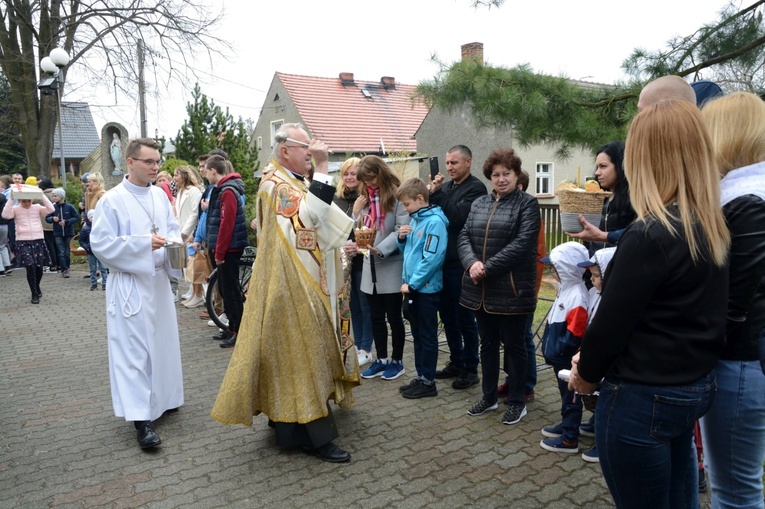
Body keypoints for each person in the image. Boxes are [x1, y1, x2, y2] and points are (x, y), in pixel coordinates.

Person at [570, 100, 730, 509]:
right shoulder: (708, 224)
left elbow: (609, 326)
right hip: (693, 386)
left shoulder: (650, 234)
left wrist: (585, 376)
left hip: (643, 397)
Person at [211, 123, 359, 463]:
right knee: (303, 356)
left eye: (312, 152)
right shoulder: (275, 184)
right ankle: (317, 438)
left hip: (290, 281)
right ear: (284, 151)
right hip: (291, 285)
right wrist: (324, 168)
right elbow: (309, 218)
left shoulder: (285, 180)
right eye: (305, 150)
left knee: (287, 356)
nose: (310, 155)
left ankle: (287, 428)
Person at [91, 138, 184, 450]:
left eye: (157, 161)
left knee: (163, 343)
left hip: (157, 282)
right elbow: (101, 244)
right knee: (134, 352)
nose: (155, 167)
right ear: (129, 162)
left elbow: (171, 229)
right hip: (130, 283)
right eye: (149, 162)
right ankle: (141, 421)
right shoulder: (112, 200)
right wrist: (143, 243)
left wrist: (175, 246)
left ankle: (166, 398)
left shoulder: (159, 194)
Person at [700, 91, 765, 509]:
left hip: (738, 363)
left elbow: (732, 305)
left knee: (735, 491)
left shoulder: (747, 200)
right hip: (745, 359)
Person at [459, 148, 540, 425]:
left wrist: (487, 267)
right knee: (488, 344)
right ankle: (489, 397)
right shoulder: (479, 203)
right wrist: (471, 263)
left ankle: (517, 400)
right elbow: (464, 235)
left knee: (516, 347)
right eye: (496, 174)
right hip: (480, 290)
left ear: (516, 175)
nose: (501, 179)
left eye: (507, 173)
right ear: (489, 177)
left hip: (512, 290)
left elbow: (522, 245)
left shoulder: (527, 204)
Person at [428, 145, 486, 389]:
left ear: (468, 162)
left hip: (462, 264)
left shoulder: (476, 188)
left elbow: (456, 218)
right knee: (448, 318)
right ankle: (456, 361)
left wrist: (438, 194)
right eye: (448, 163)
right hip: (443, 263)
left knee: (464, 318)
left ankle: (471, 369)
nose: (450, 167)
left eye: (455, 163)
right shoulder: (449, 187)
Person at [352, 155, 410, 381]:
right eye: (365, 181)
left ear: (381, 172)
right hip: (369, 267)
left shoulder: (397, 195)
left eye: (371, 179)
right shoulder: (365, 196)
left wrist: (381, 248)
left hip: (390, 264)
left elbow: (401, 228)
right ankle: (382, 359)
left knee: (394, 317)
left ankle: (397, 361)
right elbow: (356, 227)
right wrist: (356, 215)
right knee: (375, 317)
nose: (369, 184)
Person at [396, 178, 449, 399]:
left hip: (425, 290)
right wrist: (401, 239)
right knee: (417, 334)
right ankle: (421, 377)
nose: (406, 209)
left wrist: (413, 284)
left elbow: (432, 258)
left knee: (427, 336)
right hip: (413, 289)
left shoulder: (434, 222)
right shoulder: (417, 219)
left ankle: (428, 383)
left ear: (420, 199)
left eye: (407, 204)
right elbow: (410, 252)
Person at [498, 170, 547, 403]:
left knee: (524, 337)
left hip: (524, 288)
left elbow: (537, 255)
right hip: (506, 287)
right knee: (509, 337)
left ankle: (527, 385)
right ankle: (512, 380)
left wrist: (532, 290)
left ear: (520, 187)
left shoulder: (530, 213)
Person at [538, 242, 589, 454]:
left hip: (565, 356)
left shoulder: (577, 294)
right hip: (559, 355)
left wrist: (561, 349)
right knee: (564, 395)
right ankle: (567, 424)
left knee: (571, 397)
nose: (552, 272)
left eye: (555, 268)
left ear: (567, 268)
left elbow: (576, 330)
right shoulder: (565, 290)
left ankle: (569, 438)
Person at [572, 246, 616, 463]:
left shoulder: (614, 301)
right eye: (591, 275)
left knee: (606, 402)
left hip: (609, 364)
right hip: (592, 355)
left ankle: (605, 444)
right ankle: (595, 425)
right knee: (595, 400)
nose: (592, 280)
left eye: (597, 276)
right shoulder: (592, 294)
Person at [199, 155, 248, 348]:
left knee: (232, 291)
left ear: (213, 170)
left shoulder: (228, 191)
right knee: (225, 290)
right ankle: (231, 327)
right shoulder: (223, 189)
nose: (204, 173)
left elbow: (226, 224)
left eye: (206, 170)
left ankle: (238, 330)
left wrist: (219, 252)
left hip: (229, 249)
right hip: (224, 248)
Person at [334, 157, 375, 366]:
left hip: (363, 259)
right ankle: (358, 344)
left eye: (354, 173)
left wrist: (357, 211)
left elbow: (368, 228)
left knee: (365, 304)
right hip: (343, 260)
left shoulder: (367, 197)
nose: (350, 177)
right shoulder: (337, 199)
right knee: (352, 306)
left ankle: (367, 347)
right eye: (346, 173)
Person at [566, 141, 636, 252]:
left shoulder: (635, 199)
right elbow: (589, 239)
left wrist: (604, 236)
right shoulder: (598, 200)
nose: (597, 172)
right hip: (594, 265)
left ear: (620, 167)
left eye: (603, 166)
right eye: (597, 167)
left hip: (619, 265)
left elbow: (638, 235)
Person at [2, 188, 54, 303]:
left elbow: (51, 209)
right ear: (20, 200)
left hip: (38, 239)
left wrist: (42, 196)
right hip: (23, 240)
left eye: (29, 201)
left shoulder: (37, 208)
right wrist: (11, 198)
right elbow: (5, 215)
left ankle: (37, 286)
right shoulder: (15, 209)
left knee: (39, 267)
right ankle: (34, 293)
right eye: (24, 201)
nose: (26, 203)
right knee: (30, 266)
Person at [173, 165, 204, 308]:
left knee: (196, 265)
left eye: (176, 175)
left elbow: (195, 213)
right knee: (189, 266)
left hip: (191, 233)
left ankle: (199, 295)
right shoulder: (180, 192)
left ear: (184, 175)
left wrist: (187, 232)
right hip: (182, 234)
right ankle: (194, 293)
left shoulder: (193, 191)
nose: (174, 178)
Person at [46, 188, 78, 278]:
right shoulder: (52, 207)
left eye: (55, 196)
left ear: (61, 196)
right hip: (58, 233)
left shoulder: (69, 207)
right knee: (61, 252)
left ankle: (67, 267)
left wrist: (67, 221)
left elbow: (76, 217)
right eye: (53, 196)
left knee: (67, 252)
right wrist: (52, 219)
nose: (53, 198)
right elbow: (47, 218)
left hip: (68, 233)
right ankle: (64, 269)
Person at [79, 209, 108, 290]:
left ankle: (105, 283)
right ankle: (94, 283)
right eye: (91, 217)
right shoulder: (85, 229)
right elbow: (81, 240)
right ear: (88, 218)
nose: (93, 218)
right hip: (91, 252)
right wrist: (87, 247)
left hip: (100, 251)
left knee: (103, 267)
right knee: (93, 268)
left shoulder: (101, 227)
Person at [36, 178, 58, 273]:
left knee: (49, 245)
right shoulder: (58, 193)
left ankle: (52, 264)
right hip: (57, 224)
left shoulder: (41, 196)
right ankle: (61, 264)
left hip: (46, 224)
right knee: (58, 245)